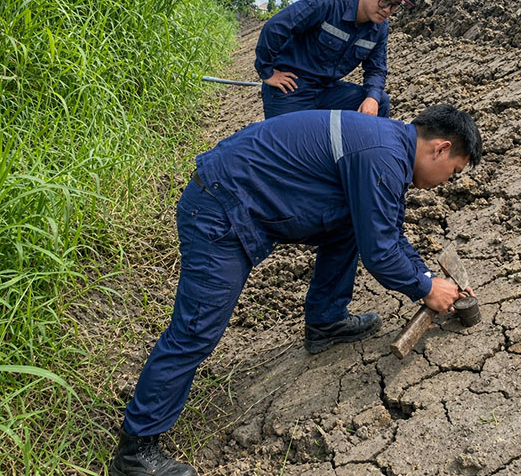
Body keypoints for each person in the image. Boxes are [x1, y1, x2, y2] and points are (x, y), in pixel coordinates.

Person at [109, 104, 482, 476]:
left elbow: (386, 230)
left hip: (238, 194)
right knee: (195, 331)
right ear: (441, 148)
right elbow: (381, 252)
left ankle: (326, 321)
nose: (445, 183)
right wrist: (425, 288)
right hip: (221, 207)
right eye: (453, 173)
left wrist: (428, 278)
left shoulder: (388, 147)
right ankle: (135, 451)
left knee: (352, 224)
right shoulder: (382, 156)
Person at [255, 0, 412, 120]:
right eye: (384, 0)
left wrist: (372, 97)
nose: (387, 10)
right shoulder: (327, 3)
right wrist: (267, 72)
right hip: (292, 87)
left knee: (380, 101)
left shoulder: (380, 28)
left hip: (327, 90)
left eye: (395, 5)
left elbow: (376, 68)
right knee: (289, 135)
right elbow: (275, 27)